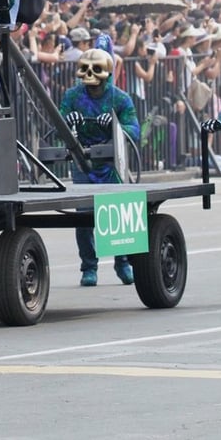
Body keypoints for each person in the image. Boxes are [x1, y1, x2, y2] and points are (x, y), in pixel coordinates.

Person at [59, 47, 141, 287]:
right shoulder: (72, 96)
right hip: (83, 161)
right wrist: (68, 123)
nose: (91, 79)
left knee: (118, 214)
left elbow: (135, 131)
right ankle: (89, 267)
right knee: (84, 216)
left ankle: (123, 263)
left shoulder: (120, 98)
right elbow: (59, 126)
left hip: (112, 163)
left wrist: (115, 126)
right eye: (85, 70)